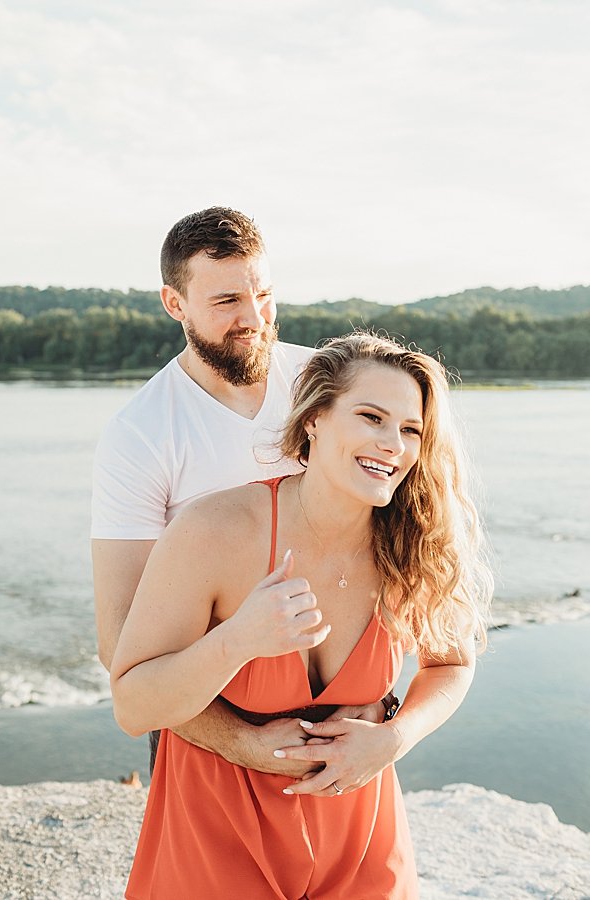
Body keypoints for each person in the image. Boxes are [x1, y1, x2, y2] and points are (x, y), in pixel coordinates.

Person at [110, 332, 492, 897]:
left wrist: (395, 738)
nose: (393, 444)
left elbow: (451, 663)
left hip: (361, 832)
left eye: (410, 430)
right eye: (371, 417)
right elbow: (133, 703)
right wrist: (237, 640)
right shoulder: (213, 531)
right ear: (314, 419)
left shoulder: (416, 540)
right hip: (217, 832)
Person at [91, 207, 383, 780]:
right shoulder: (140, 435)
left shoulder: (324, 385)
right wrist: (243, 742)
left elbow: (391, 531)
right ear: (175, 304)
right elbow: (120, 644)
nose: (254, 318)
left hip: (345, 718)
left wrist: (381, 698)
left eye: (265, 295)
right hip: (208, 726)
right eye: (227, 302)